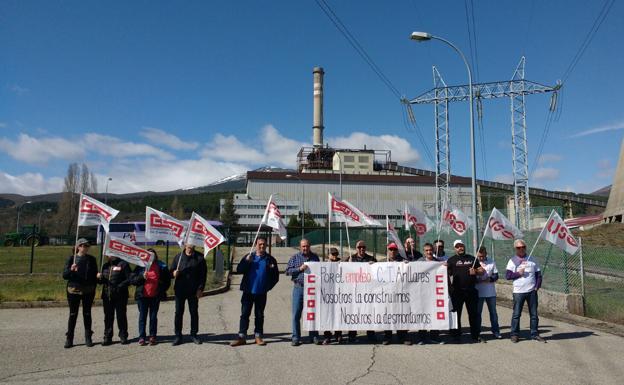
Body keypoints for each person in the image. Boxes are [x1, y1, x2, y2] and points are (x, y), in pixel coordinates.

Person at [230, 237, 280, 347]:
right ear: (256, 244)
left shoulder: (270, 259)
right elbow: (239, 270)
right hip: (248, 291)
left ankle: (258, 336)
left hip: (261, 292)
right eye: (260, 244)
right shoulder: (249, 257)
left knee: (259, 315)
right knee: (244, 314)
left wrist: (267, 287)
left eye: (264, 244)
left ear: (266, 245)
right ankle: (242, 337)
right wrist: (247, 262)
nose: (262, 246)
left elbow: (275, 276)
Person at [506, 239, 545, 343]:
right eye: (519, 247)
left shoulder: (532, 259)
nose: (521, 249)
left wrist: (537, 286)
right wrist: (518, 273)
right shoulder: (512, 261)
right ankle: (514, 334)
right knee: (516, 314)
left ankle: (534, 334)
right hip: (518, 292)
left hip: (532, 291)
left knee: (534, 314)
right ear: (515, 249)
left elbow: (538, 275)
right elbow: (508, 276)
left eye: (523, 247)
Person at [62, 238, 98, 348]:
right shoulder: (71, 259)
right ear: (78, 247)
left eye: (87, 246)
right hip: (74, 290)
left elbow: (94, 274)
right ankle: (69, 338)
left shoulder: (91, 259)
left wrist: (97, 278)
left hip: (88, 290)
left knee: (87, 314)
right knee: (73, 314)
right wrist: (71, 270)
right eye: (83, 245)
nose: (85, 248)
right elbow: (65, 275)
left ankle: (88, 337)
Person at [131, 249, 171, 346]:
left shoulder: (161, 266)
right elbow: (132, 280)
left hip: (155, 296)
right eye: (148, 255)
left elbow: (167, 281)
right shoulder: (140, 266)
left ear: (155, 256)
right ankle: (142, 337)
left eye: (152, 255)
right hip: (142, 296)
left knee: (153, 317)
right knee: (142, 317)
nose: (150, 257)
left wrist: (161, 290)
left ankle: (152, 336)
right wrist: (141, 277)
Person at [447, 239, 484, 343]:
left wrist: (476, 271)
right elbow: (445, 272)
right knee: (456, 314)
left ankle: (475, 335)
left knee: (473, 314)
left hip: (471, 291)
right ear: (455, 248)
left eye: (461, 246)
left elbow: (482, 271)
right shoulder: (451, 260)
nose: (460, 248)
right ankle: (456, 335)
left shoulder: (472, 258)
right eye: (457, 246)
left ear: (464, 246)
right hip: (457, 292)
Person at [286, 238, 320, 346]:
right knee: (296, 314)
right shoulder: (295, 258)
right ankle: (296, 337)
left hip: (312, 289)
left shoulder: (315, 257)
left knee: (312, 314)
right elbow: (287, 271)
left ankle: (314, 335)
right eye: (303, 246)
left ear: (310, 246)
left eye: (307, 246)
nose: (305, 248)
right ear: (300, 247)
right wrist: (299, 269)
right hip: (299, 288)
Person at [170, 244, 207, 345]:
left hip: (193, 291)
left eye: (192, 243)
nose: (190, 245)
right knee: (178, 313)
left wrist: (200, 289)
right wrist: (173, 273)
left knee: (194, 313)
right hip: (180, 290)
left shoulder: (200, 258)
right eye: (189, 243)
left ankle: (194, 334)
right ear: (185, 244)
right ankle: (178, 336)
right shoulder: (178, 257)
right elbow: (171, 271)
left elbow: (203, 275)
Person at [98, 253, 132, 346]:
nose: (110, 255)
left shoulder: (123, 264)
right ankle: (107, 337)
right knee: (108, 317)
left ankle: (123, 336)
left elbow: (129, 279)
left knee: (121, 316)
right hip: (107, 295)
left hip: (120, 295)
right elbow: (101, 281)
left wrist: (119, 286)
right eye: (108, 254)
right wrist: (99, 278)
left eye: (112, 253)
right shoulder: (104, 265)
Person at [347, 240, 377, 343]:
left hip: (367, 291)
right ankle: (352, 335)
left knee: (368, 313)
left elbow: (378, 273)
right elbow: (342, 271)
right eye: (359, 247)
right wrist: (348, 265)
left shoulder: (371, 259)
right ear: (356, 248)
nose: (361, 249)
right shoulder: (351, 258)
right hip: (354, 291)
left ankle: (371, 334)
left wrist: (374, 266)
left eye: (363, 247)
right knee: (353, 313)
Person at [383, 242, 412, 345]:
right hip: (386, 294)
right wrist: (371, 265)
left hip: (400, 293)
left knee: (401, 314)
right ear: (388, 250)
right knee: (388, 314)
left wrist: (408, 265)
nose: (392, 251)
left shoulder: (403, 262)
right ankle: (388, 336)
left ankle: (403, 336)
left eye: (394, 250)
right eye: (390, 249)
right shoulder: (382, 262)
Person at [417, 242, 444, 345]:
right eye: (427, 250)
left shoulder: (438, 262)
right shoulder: (419, 262)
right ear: (424, 252)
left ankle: (434, 337)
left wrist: (445, 266)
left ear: (433, 251)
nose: (429, 252)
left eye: (430, 250)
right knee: (423, 314)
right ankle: (422, 337)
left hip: (435, 293)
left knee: (434, 315)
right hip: (422, 293)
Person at [475, 246, 501, 340]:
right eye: (479, 256)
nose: (481, 258)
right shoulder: (474, 262)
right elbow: (470, 275)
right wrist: (476, 279)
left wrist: (490, 279)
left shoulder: (491, 261)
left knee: (493, 313)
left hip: (490, 292)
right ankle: (477, 333)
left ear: (486, 254)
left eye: (482, 256)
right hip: (478, 292)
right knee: (478, 313)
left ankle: (496, 331)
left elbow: (496, 275)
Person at [322, 247, 344, 344]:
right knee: (327, 314)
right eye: (332, 254)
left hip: (339, 293)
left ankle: (338, 334)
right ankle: (327, 335)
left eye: (336, 254)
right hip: (327, 293)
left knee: (338, 314)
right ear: (328, 255)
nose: (334, 256)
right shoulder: (324, 264)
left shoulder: (342, 264)